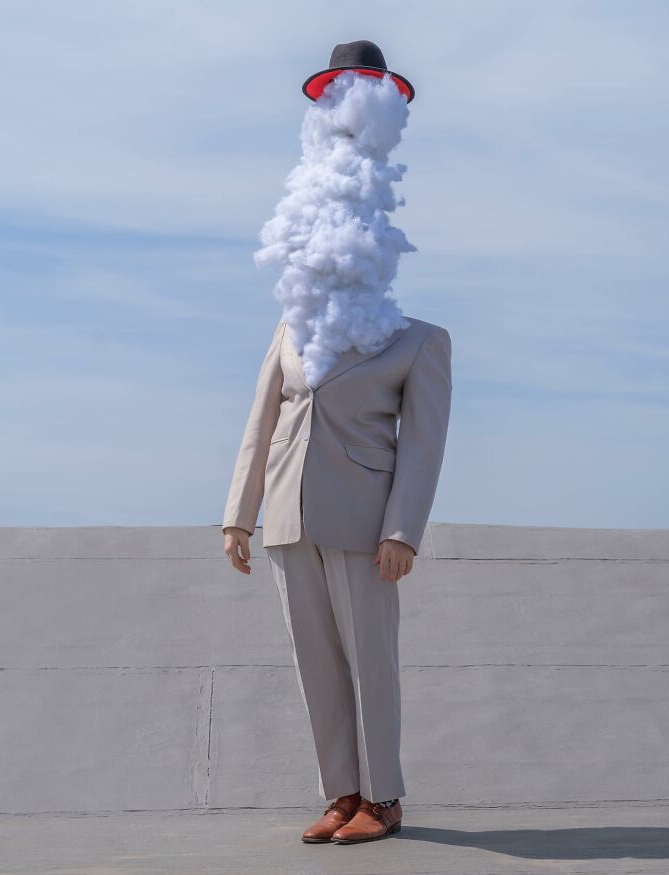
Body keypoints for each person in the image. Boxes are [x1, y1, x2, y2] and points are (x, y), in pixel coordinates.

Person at [222, 41, 452, 845]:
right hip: (287, 520)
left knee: (371, 666)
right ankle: (341, 793)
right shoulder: (292, 329)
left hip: (363, 524)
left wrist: (402, 530)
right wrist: (237, 515)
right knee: (316, 666)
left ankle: (383, 799)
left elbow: (423, 446)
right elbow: (262, 420)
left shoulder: (417, 341)